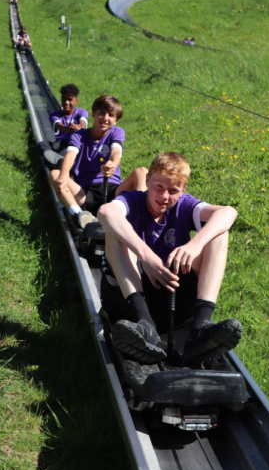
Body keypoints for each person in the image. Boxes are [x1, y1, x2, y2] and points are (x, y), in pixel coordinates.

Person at [97, 151, 242, 364]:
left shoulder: (184, 206)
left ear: (183, 190)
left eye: (173, 190)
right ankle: (145, 324)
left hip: (171, 299)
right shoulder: (133, 201)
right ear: (148, 180)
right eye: (159, 187)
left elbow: (229, 212)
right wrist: (146, 256)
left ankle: (200, 327)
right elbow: (105, 212)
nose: (164, 196)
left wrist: (195, 244)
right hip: (127, 303)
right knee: (116, 231)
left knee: (218, 234)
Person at [49, 95, 147, 231]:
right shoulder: (79, 135)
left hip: (112, 190)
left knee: (142, 172)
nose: (105, 118)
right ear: (93, 113)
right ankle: (79, 214)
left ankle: (138, 218)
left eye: (111, 115)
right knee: (55, 174)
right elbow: (70, 155)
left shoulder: (116, 132)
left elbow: (116, 152)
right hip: (85, 192)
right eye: (102, 113)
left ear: (116, 120)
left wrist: (112, 164)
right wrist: (64, 174)